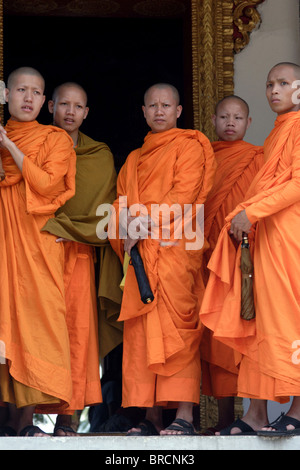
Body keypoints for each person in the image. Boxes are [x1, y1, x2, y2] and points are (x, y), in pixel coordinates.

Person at [108, 83, 216, 435]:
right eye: (152, 105)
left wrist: (145, 224)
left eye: (166, 105)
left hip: (175, 254)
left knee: (180, 334)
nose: (159, 111)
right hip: (142, 258)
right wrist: (126, 230)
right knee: (142, 337)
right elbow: (121, 202)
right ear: (142, 111)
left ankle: (184, 415)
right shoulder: (134, 160)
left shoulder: (189, 146)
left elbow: (184, 194)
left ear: (179, 111)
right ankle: (150, 418)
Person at [200, 62, 300, 436]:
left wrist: (250, 210)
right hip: (267, 239)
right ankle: (257, 413)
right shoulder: (277, 133)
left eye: (284, 83)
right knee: (260, 323)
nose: (275, 90)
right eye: (270, 83)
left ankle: (297, 409)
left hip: (290, 238)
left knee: (289, 320)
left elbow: (296, 183)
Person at [0, 67, 76, 436]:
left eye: (36, 92)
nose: (28, 98)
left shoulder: (55, 139)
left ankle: (27, 419)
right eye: (20, 90)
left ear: (45, 102)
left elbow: (47, 185)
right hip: (2, 238)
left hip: (36, 245)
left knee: (35, 323)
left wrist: (9, 147)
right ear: (6, 95)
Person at [43, 82, 123, 435]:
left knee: (76, 334)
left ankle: (67, 418)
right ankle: (20, 417)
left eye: (78, 106)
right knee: (34, 332)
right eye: (64, 104)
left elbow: (104, 213)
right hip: (36, 253)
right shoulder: (33, 147)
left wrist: (63, 227)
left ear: (87, 112)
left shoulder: (99, 155)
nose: (70, 112)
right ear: (51, 106)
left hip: (76, 254)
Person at [200, 95, 264, 434]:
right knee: (213, 338)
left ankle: (245, 415)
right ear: (213, 120)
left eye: (237, 117)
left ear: (248, 123)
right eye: (224, 116)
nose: (230, 122)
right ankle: (223, 418)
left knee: (240, 332)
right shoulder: (203, 157)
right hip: (207, 257)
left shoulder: (258, 158)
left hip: (242, 256)